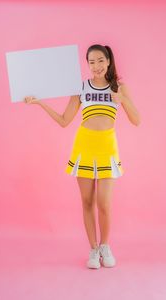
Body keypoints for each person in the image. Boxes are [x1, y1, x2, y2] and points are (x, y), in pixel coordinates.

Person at [24, 44, 141, 269]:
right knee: (87, 202)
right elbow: (64, 120)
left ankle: (106, 246)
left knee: (104, 204)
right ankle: (93, 248)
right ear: (87, 64)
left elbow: (137, 120)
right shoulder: (80, 87)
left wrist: (122, 100)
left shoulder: (119, 88)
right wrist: (39, 102)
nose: (96, 66)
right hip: (84, 147)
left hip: (107, 148)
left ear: (108, 61)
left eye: (100, 60)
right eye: (91, 62)